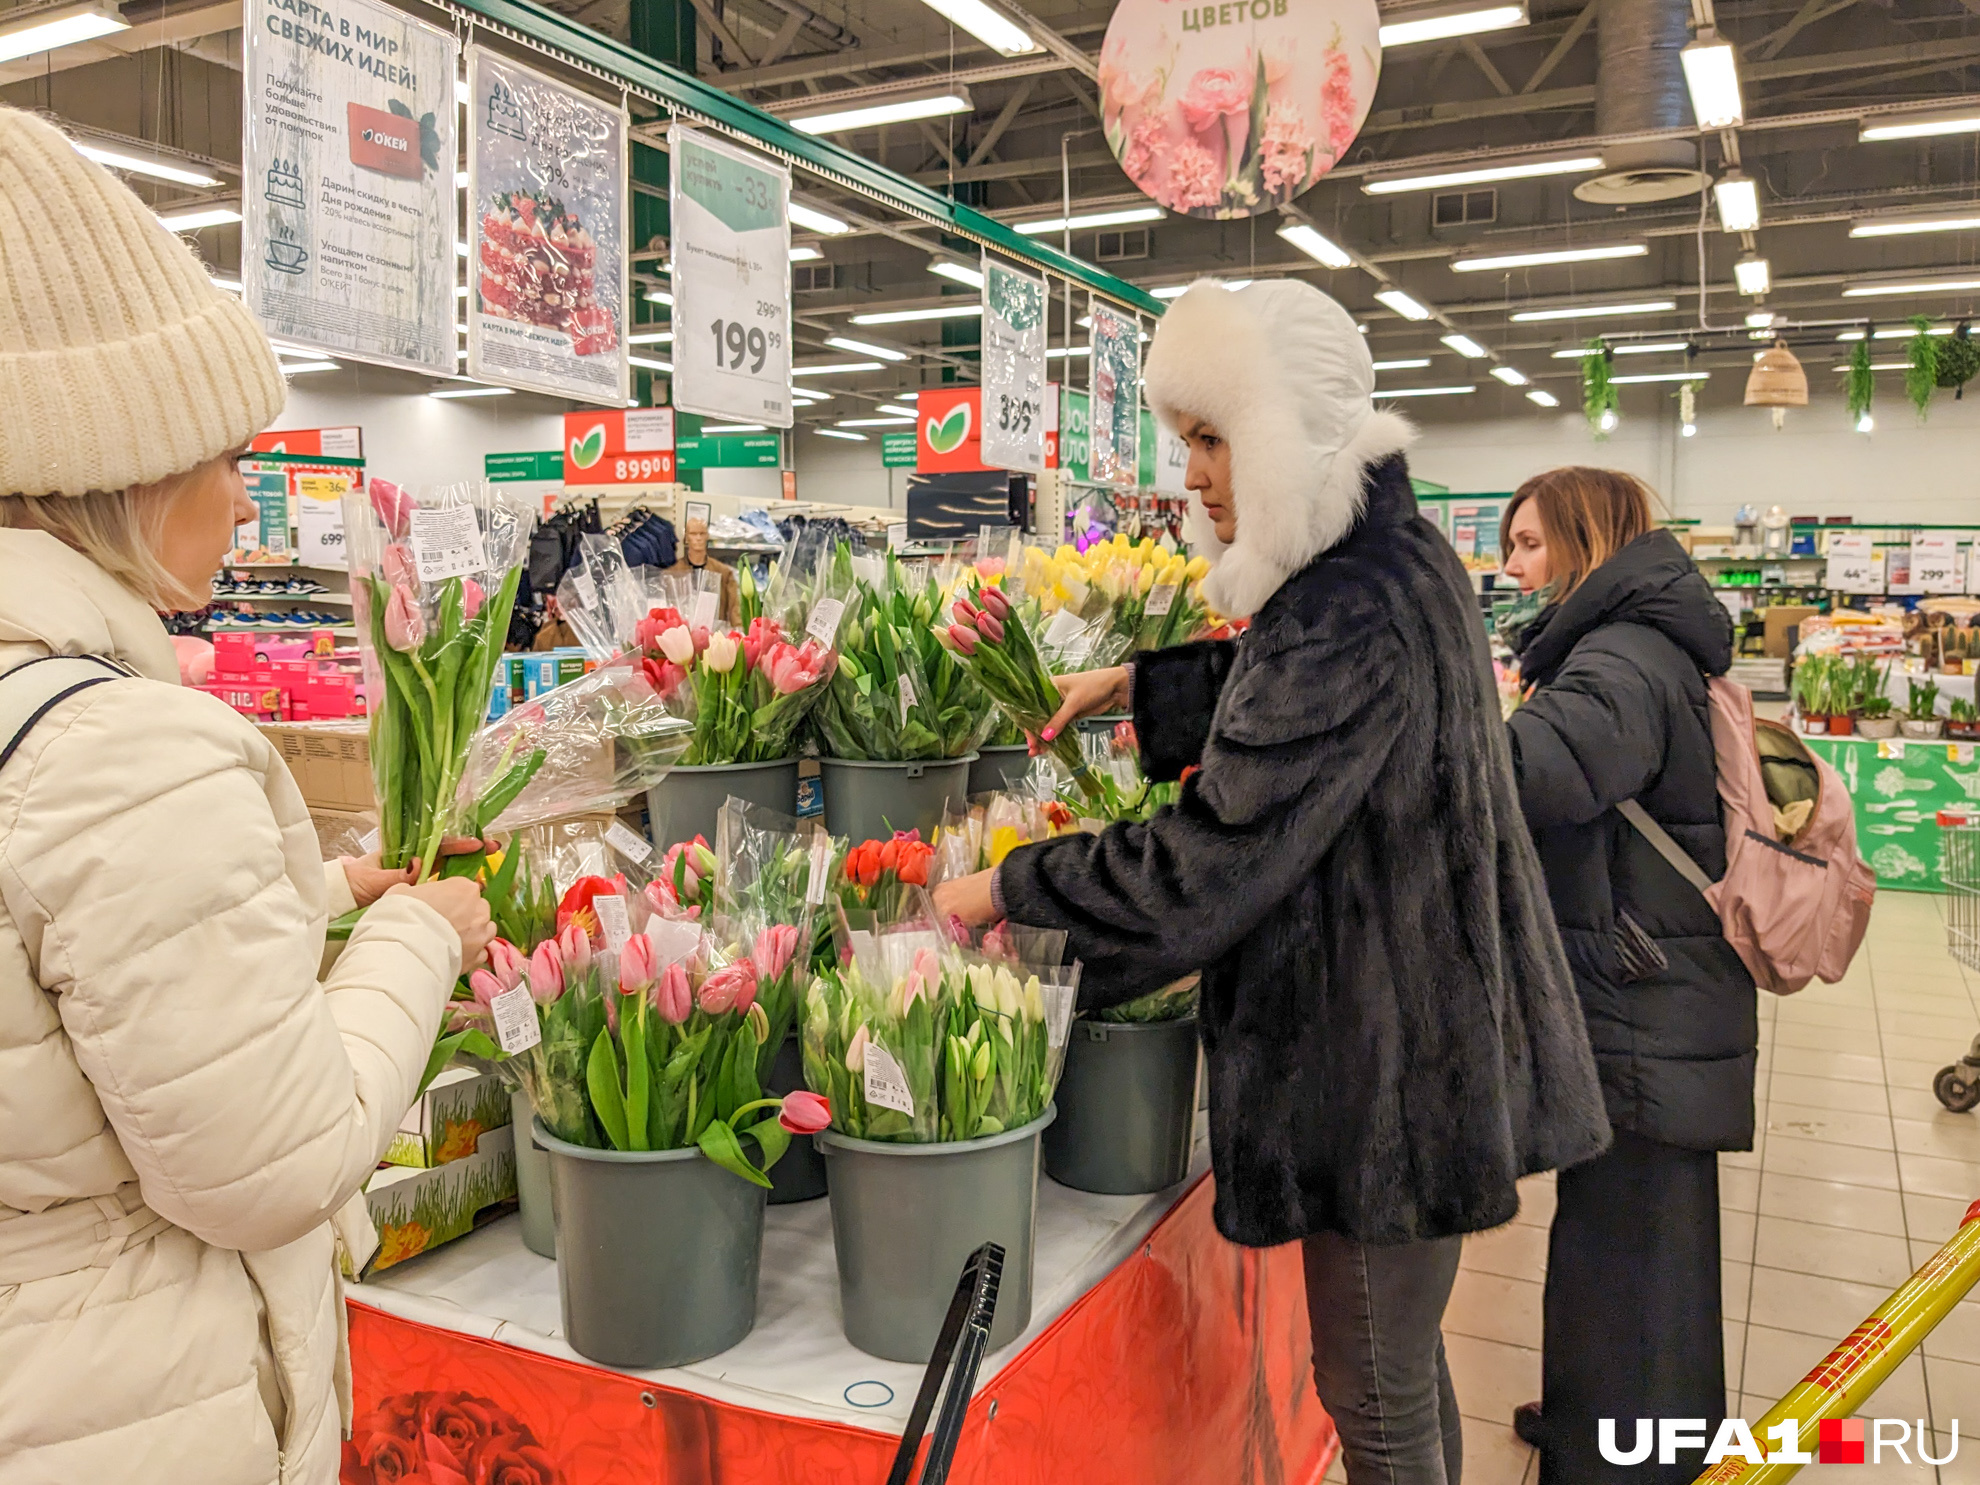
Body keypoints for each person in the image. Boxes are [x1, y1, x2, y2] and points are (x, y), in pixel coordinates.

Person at [933, 279, 1610, 1485]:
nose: (1192, 477)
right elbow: (1314, 719)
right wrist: (1144, 691)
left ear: (1288, 431)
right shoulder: (1398, 567)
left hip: (1380, 1075)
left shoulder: (1344, 608)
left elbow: (1206, 866)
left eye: (1212, 439)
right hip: (1434, 1037)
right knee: (1403, 1368)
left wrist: (1006, 891)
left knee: (1371, 1387)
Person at [0, 107, 495, 1484]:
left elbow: (55, 990)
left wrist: (321, 898)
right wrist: (421, 936)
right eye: (224, 453)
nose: (243, 491)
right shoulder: (126, 752)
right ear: (115, 467)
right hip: (127, 1409)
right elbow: (270, 1163)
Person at [1496, 469, 1752, 1484]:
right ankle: (1599, 1424)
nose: (1511, 565)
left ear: (1583, 538)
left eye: (1528, 544)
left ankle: (1624, 1462)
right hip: (1649, 976)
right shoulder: (1639, 641)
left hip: (1640, 987)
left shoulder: (1622, 656)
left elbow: (1534, 776)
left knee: (1636, 1254)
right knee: (1630, 1237)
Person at [660, 514, 740, 623]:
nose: (698, 538)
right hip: (682, 633)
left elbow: (734, 609)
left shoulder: (724, 573)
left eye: (702, 533)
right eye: (693, 534)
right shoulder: (672, 573)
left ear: (707, 536)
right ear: (686, 537)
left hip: (714, 633)